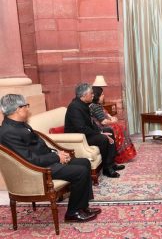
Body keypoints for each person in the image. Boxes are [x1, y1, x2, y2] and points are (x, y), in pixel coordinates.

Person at [0, 94, 101, 222]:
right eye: (26, 106)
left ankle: (83, 206)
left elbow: (39, 146)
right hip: (37, 170)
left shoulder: (20, 124)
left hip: (44, 161)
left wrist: (57, 152)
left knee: (84, 162)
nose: (27, 109)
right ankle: (73, 213)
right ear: (17, 109)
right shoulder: (8, 132)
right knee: (80, 171)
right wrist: (56, 158)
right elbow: (30, 160)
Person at [64, 83, 124, 178]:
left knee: (109, 130)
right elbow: (81, 128)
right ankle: (106, 168)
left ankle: (111, 164)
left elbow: (91, 123)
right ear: (84, 95)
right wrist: (100, 133)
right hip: (79, 137)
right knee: (103, 139)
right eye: (91, 93)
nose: (93, 95)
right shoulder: (74, 107)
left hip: (86, 134)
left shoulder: (84, 104)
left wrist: (101, 131)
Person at [90, 86, 136, 163]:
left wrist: (112, 118)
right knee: (119, 128)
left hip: (104, 124)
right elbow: (103, 121)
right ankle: (119, 156)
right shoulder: (94, 106)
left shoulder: (98, 105)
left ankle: (122, 154)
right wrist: (113, 121)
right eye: (102, 94)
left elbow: (107, 115)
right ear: (97, 96)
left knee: (120, 126)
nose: (103, 96)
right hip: (100, 127)